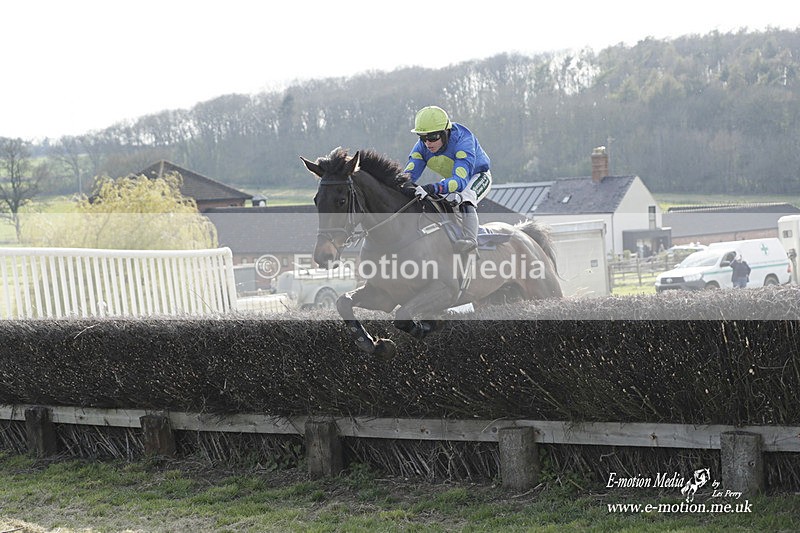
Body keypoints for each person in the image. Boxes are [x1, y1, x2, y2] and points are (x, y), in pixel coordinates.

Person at [400, 106, 492, 254]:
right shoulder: (421, 147)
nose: (427, 143)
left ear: (445, 133)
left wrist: (431, 188)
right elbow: (408, 176)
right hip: (452, 179)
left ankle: (470, 240)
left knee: (465, 198)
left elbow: (460, 182)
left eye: (432, 137)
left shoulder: (464, 141)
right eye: (422, 137)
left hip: (477, 177)